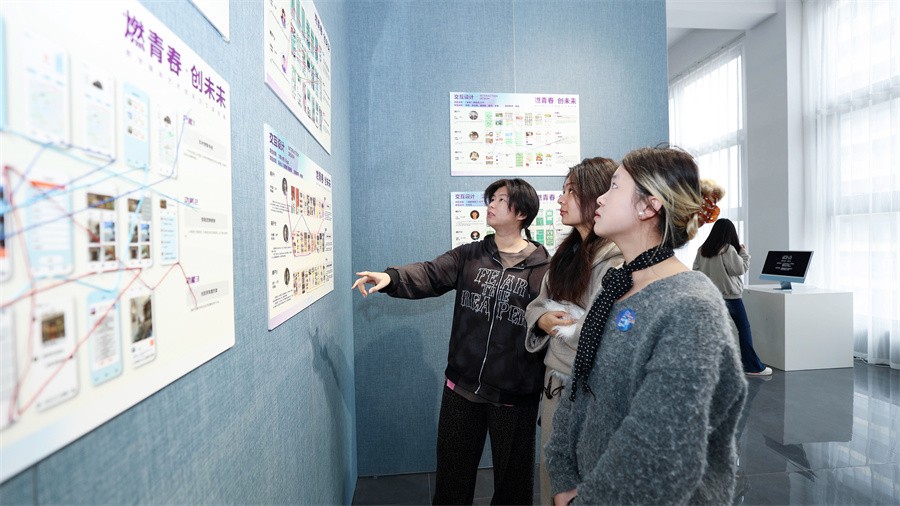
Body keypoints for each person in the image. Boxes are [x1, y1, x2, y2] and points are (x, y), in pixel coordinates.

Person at [545, 147, 747, 505]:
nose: (601, 199)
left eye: (614, 187)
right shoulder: (617, 286)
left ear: (648, 206)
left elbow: (660, 445)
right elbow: (579, 388)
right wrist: (563, 476)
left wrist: (586, 500)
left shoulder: (691, 307)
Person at [352, 178, 550, 505]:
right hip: (462, 387)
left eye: (501, 199)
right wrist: (392, 278)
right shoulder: (470, 255)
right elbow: (430, 273)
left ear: (522, 213)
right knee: (452, 479)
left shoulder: (544, 268)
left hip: (514, 395)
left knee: (513, 486)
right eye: (491, 198)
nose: (491, 204)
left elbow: (550, 322)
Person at [523, 157, 624, 506]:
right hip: (555, 385)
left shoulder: (617, 260)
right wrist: (543, 320)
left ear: (597, 196)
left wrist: (566, 324)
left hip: (589, 391)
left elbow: (599, 331)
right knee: (555, 478)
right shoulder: (566, 254)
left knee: (582, 482)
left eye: (571, 191)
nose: (560, 199)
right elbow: (537, 305)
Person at [694, 218, 772, 376]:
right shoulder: (727, 249)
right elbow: (739, 269)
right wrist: (744, 253)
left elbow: (696, 271)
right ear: (730, 233)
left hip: (710, 296)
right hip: (730, 296)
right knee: (743, 328)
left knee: (712, 331)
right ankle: (752, 366)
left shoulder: (702, 249)